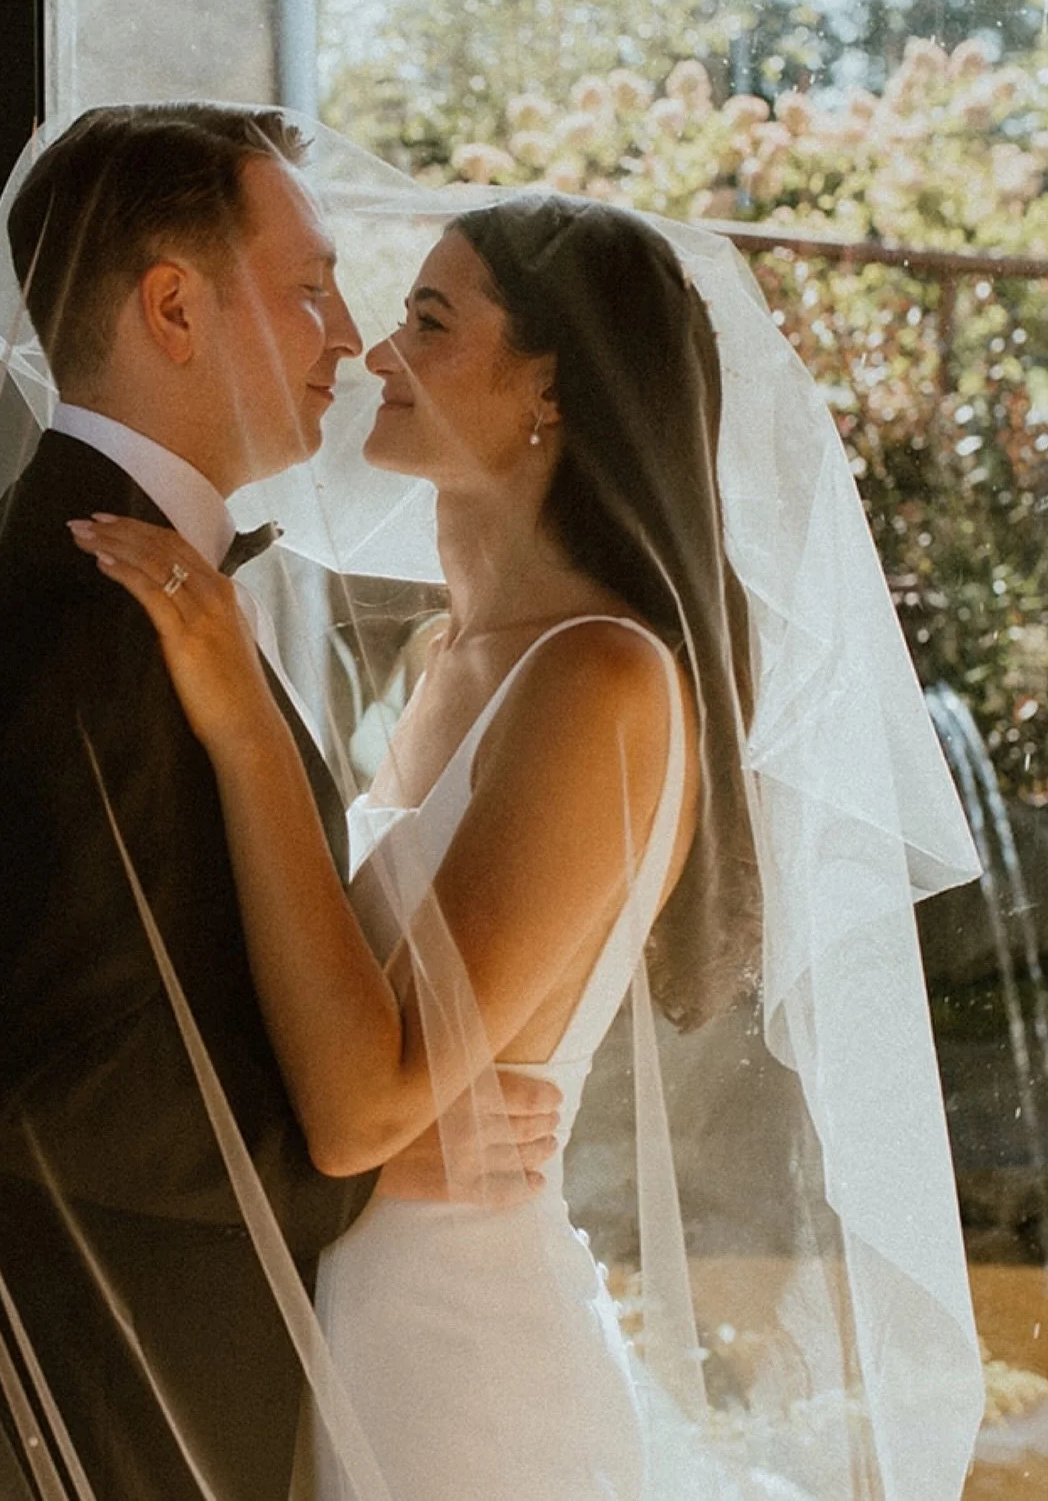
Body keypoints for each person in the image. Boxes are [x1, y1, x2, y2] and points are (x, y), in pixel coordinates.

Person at [69, 188, 986, 1500]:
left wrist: (246, 725)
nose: (376, 354)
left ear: (549, 383)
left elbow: (360, 1099)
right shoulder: (456, 660)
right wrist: (388, 1147)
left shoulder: (599, 681)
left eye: (430, 323)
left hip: (466, 1386)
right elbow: (340, 1047)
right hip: (354, 1334)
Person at [0, 104, 562, 1501]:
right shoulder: (69, 609)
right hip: (77, 1423)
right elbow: (28, 1086)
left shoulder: (124, 575)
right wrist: (363, 1168)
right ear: (172, 304)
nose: (347, 336)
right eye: (307, 288)